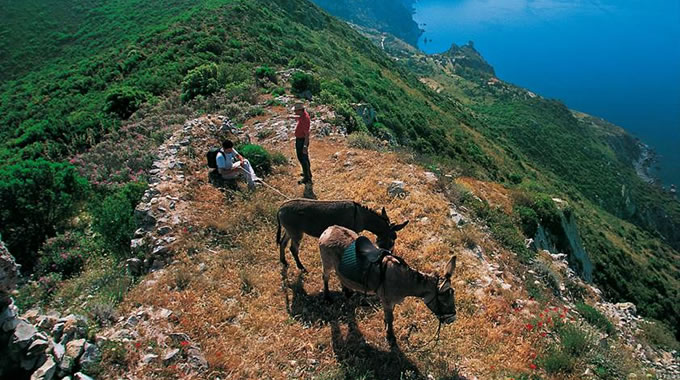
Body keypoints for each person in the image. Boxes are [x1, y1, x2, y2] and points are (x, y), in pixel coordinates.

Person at [291, 103, 312, 184]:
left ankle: (307, 178)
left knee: (302, 158)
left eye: (296, 111)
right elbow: (299, 117)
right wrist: (292, 117)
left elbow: (307, 134)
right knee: (305, 158)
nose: (295, 112)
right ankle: (307, 173)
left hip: (302, 140)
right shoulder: (303, 115)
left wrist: (305, 146)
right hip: (300, 139)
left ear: (300, 110)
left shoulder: (305, 119)